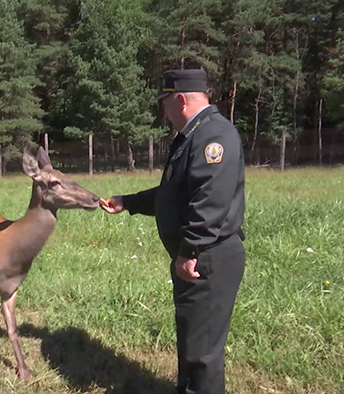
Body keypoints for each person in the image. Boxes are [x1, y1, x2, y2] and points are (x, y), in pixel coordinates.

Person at [100, 69, 246, 394]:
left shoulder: (213, 137)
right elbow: (172, 193)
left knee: (203, 352)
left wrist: (188, 251)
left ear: (179, 100)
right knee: (192, 343)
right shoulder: (193, 136)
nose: (163, 113)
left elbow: (210, 202)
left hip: (206, 260)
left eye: (164, 104)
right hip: (198, 258)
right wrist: (128, 202)